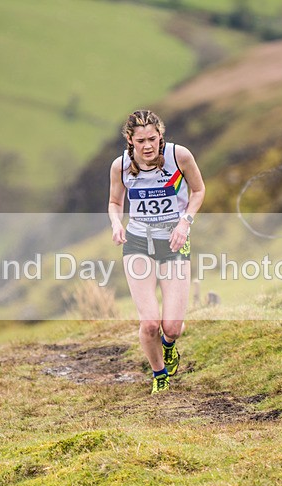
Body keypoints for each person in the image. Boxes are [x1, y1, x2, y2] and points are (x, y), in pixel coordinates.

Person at [108, 110, 206, 394]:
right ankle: (159, 374)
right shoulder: (121, 166)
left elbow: (198, 191)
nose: (147, 146)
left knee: (172, 328)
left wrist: (184, 224)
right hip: (138, 242)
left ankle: (170, 347)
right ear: (130, 139)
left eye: (152, 138)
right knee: (150, 323)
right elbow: (115, 201)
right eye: (141, 141)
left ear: (161, 136)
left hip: (174, 242)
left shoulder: (180, 156)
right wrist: (116, 223)